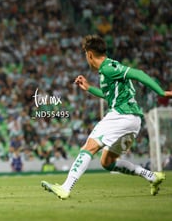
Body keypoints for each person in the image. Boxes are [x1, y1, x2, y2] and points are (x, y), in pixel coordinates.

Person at [41, 34, 172, 200]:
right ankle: (152, 176)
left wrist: (161, 92)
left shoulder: (109, 67)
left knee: (89, 146)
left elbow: (138, 73)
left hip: (121, 115)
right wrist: (89, 88)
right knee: (107, 162)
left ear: (89, 54)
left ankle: (65, 188)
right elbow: (108, 96)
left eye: (85, 56)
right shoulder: (105, 72)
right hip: (133, 121)